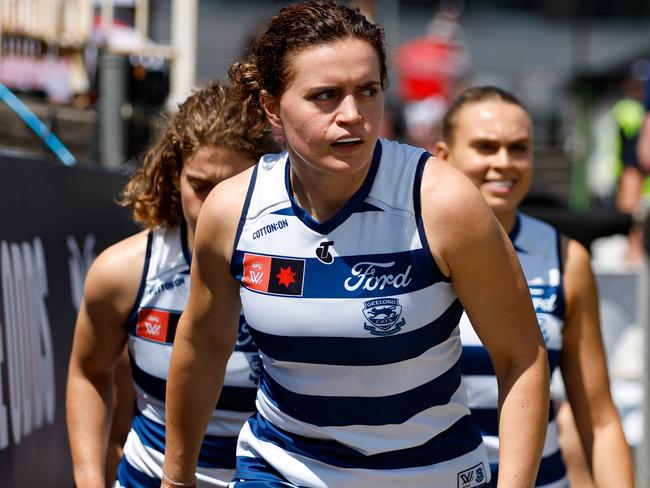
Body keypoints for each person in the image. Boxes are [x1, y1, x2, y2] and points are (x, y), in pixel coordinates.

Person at [162, 3, 550, 487]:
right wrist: (175, 481)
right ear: (270, 107)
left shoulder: (443, 203)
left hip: (428, 475)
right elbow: (203, 343)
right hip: (280, 470)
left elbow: (523, 356)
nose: (353, 115)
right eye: (325, 96)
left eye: (368, 91)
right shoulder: (232, 210)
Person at [66, 81, 279, 488]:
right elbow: (88, 373)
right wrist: (90, 480)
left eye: (230, 186)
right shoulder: (123, 271)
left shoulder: (301, 266)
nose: (212, 204)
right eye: (199, 186)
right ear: (173, 174)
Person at [434, 85, 635, 487]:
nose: (504, 163)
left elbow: (598, 417)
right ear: (444, 157)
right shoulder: (406, 248)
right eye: (486, 147)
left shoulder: (565, 257)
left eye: (519, 148)